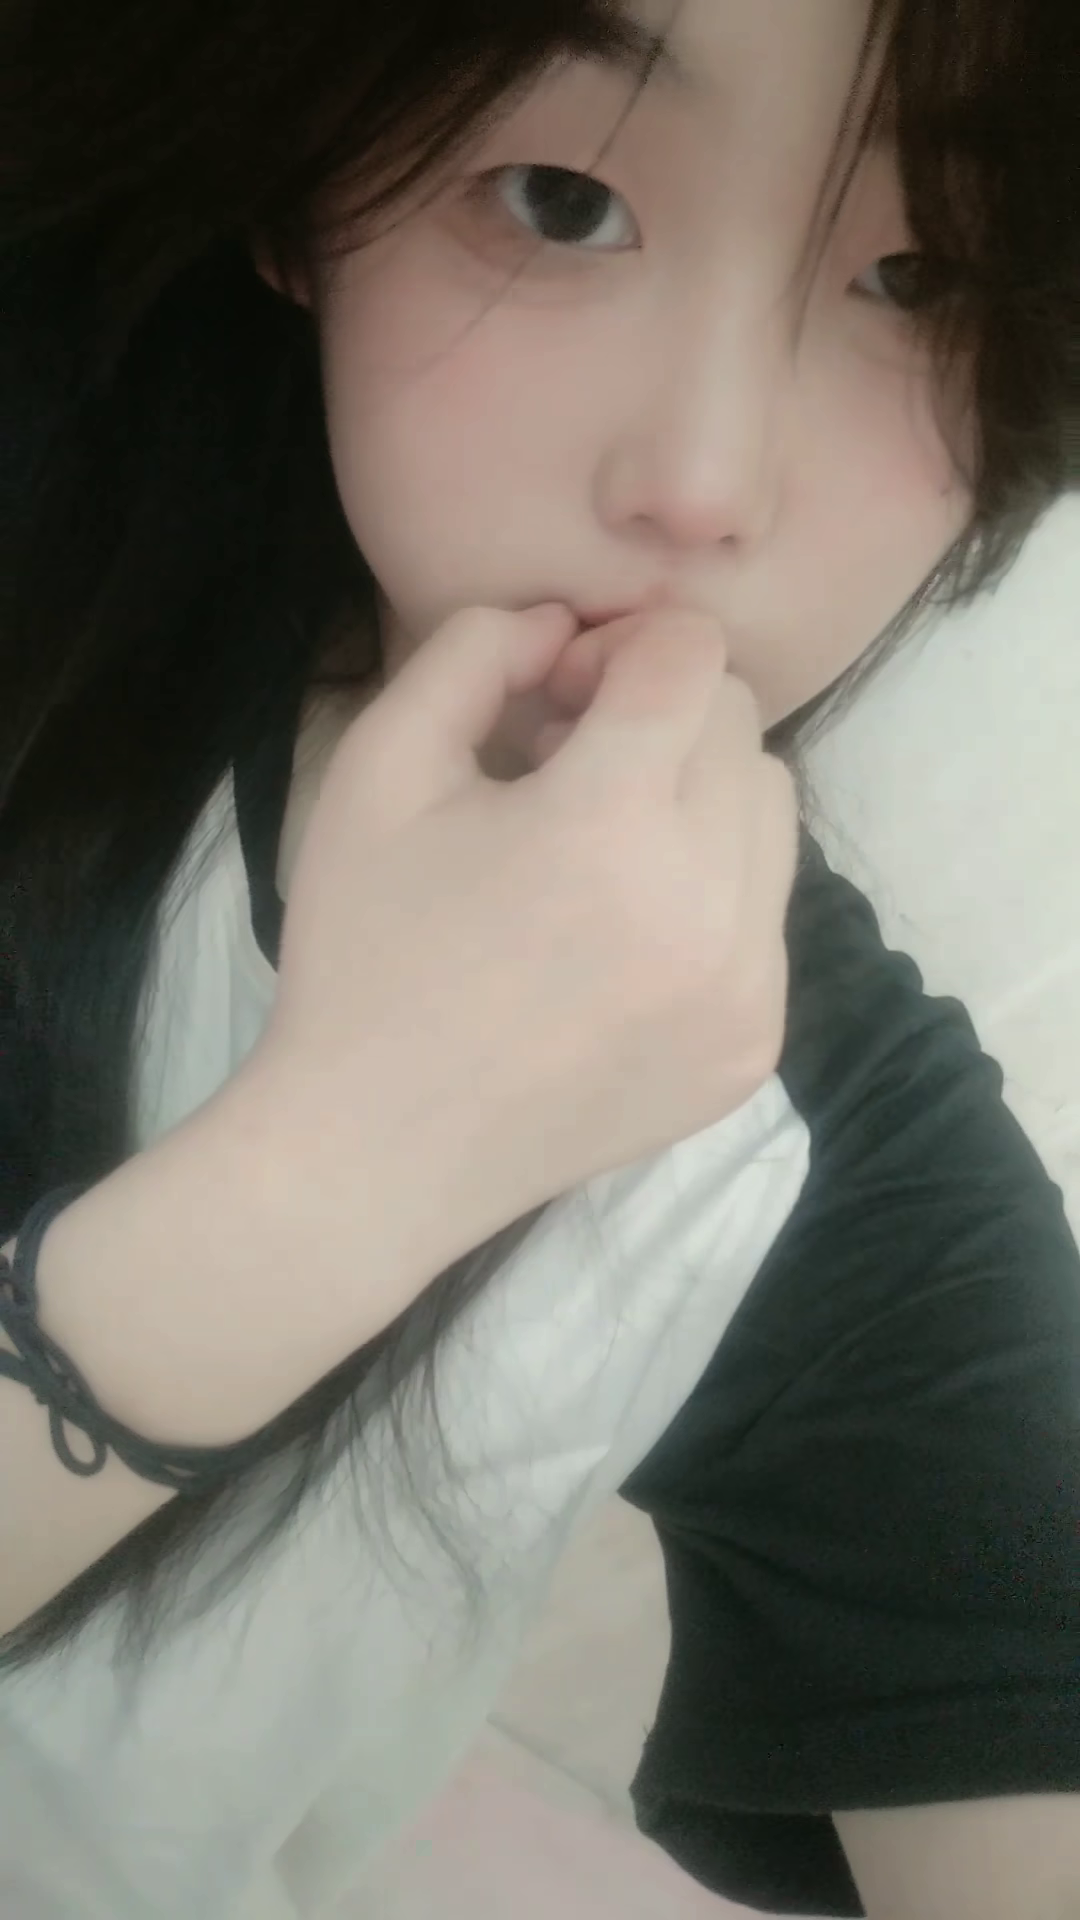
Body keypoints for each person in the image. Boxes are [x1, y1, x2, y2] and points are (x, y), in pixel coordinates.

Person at [0, 0, 1077, 1914]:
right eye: (561, 198)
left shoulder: (798, 1138)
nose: (707, 480)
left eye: (922, 275)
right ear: (301, 184)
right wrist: (343, 1171)